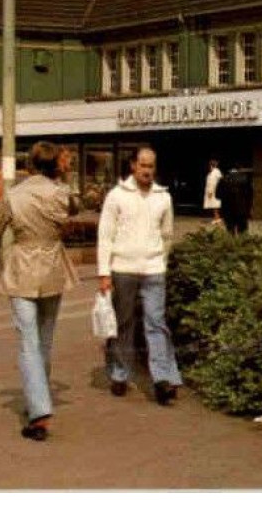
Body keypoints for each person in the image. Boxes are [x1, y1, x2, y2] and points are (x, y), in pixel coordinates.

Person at [0, 142, 79, 442]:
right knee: (45, 338)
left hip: (22, 267)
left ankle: (39, 410)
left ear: (30, 166)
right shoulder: (62, 193)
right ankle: (40, 399)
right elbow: (75, 209)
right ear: (54, 165)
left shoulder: (14, 196)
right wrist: (65, 176)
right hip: (52, 266)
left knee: (28, 340)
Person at [97, 145, 183, 405]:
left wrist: (160, 261)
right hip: (122, 270)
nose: (147, 171)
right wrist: (104, 273)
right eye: (143, 165)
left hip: (153, 270)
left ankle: (163, 380)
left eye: (151, 166)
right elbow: (105, 236)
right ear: (133, 165)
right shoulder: (116, 196)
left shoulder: (163, 197)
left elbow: (167, 235)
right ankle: (120, 374)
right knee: (123, 324)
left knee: (156, 323)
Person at [218, 164, 254, 235]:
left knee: (230, 230)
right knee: (242, 231)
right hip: (242, 208)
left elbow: (218, 195)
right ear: (239, 169)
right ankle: (242, 244)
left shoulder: (223, 179)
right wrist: (249, 207)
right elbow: (250, 195)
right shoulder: (245, 179)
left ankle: (231, 244)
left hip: (228, 209)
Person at [203, 159, 223, 227]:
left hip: (214, 191)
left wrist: (211, 191)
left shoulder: (216, 172)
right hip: (210, 190)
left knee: (215, 205)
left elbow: (214, 182)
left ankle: (218, 218)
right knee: (213, 205)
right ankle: (216, 218)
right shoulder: (211, 172)